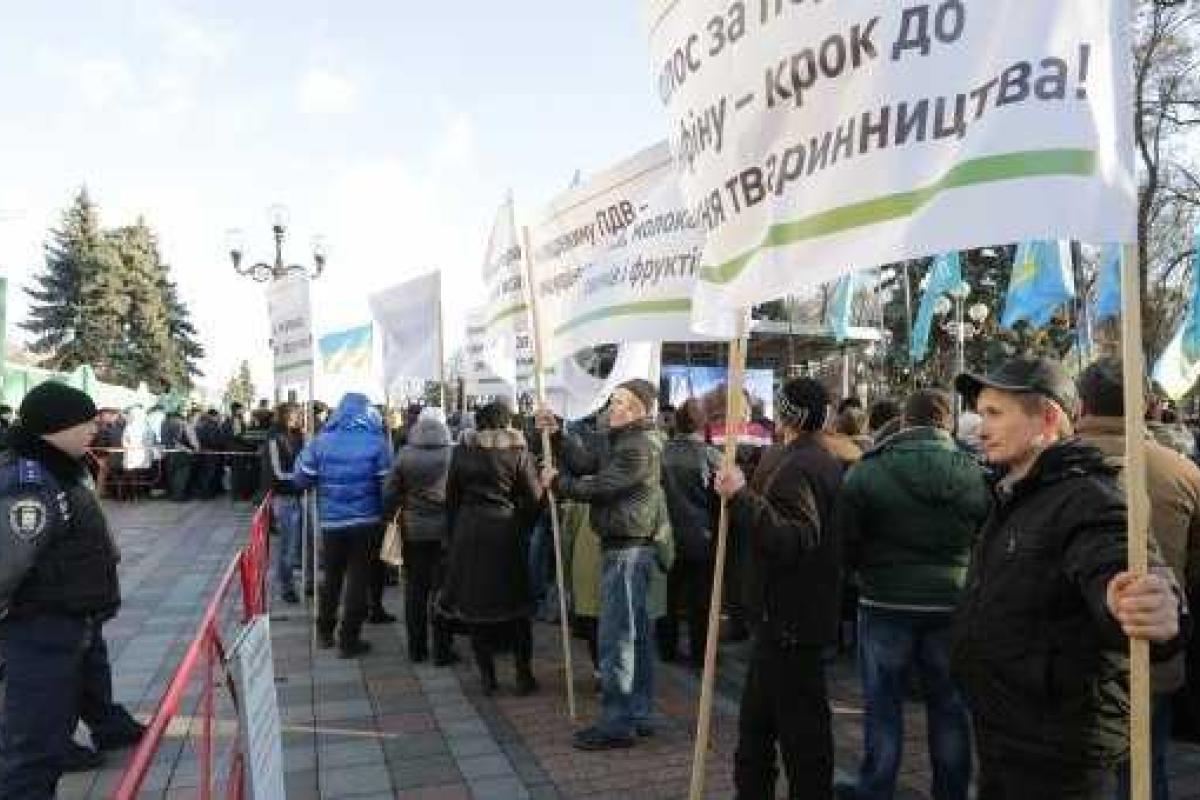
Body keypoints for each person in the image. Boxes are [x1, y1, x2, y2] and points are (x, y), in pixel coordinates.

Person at [952, 357, 1186, 798]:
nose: (981, 429)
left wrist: (1136, 600)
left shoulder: (1087, 496)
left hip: (1056, 753)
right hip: (1008, 735)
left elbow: (1114, 559)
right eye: (981, 414)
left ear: (1048, 418)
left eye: (995, 414)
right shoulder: (1017, 492)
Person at [837, 389, 988, 800]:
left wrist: (861, 575)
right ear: (948, 423)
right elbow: (989, 536)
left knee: (883, 706)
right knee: (949, 705)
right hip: (951, 601)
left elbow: (845, 539)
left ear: (905, 421)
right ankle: (952, 791)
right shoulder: (976, 472)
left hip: (885, 600)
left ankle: (876, 789)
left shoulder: (869, 470)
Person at [0, 383, 145, 799]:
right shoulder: (28, 483)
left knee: (46, 739)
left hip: (66, 625)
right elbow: (7, 565)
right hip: (39, 632)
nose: (94, 431)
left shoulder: (58, 468)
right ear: (54, 426)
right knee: (31, 755)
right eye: (87, 423)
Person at [1075, 360, 1200, 800]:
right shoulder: (1182, 472)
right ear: (1147, 403)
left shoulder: (1044, 468)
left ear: (1081, 404)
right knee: (1147, 772)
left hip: (1070, 663)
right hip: (1152, 660)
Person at [714, 377, 844, 799]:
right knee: (759, 728)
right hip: (784, 619)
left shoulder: (800, 466)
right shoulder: (804, 458)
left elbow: (792, 538)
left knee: (798, 738)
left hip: (789, 620)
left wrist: (741, 498)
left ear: (788, 414)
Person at [541, 379, 664, 750]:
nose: (613, 407)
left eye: (622, 403)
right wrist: (558, 436)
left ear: (640, 410)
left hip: (628, 551)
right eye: (613, 401)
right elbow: (584, 463)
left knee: (618, 638)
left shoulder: (638, 446)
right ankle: (637, 713)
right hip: (624, 547)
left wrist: (557, 483)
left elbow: (600, 486)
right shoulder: (621, 440)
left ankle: (617, 722)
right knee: (634, 636)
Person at [439, 401, 542, 695]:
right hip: (506, 534)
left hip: (470, 533)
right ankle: (523, 675)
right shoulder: (519, 454)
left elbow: (451, 499)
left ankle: (488, 678)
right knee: (517, 608)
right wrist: (522, 521)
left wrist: (454, 533)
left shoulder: (462, 453)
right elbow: (536, 500)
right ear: (507, 423)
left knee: (476, 609)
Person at [293, 392, 394, 658]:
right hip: (367, 521)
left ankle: (325, 631)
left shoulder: (320, 443)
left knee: (333, 577)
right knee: (359, 578)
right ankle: (349, 639)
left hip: (332, 522)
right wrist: (386, 514)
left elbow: (301, 480)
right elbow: (387, 487)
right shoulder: (378, 443)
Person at [383, 407, 458, 666]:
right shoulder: (452, 454)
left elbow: (389, 491)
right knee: (443, 590)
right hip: (445, 531)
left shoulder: (404, 455)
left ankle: (416, 648)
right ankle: (442, 649)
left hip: (413, 530)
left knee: (415, 590)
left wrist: (391, 514)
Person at [657, 397, 720, 667]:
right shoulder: (711, 455)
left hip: (668, 534)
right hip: (702, 536)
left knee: (668, 597)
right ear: (702, 424)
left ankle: (667, 649)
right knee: (701, 601)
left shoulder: (662, 453)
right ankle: (700, 653)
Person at [263, 403, 306, 604]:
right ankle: (286, 586)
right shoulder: (274, 437)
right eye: (296, 414)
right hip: (285, 496)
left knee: (299, 543)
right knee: (288, 544)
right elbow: (276, 472)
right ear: (286, 416)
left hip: (300, 494)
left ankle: (301, 581)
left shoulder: (298, 435)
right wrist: (300, 478)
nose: (300, 417)